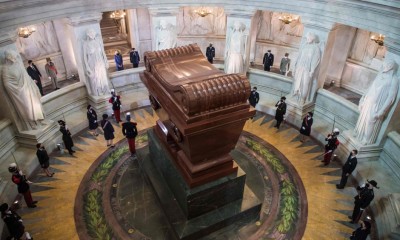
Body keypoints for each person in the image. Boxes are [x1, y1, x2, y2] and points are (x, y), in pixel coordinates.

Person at [353, 59, 399, 145]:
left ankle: (366, 139)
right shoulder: (380, 74)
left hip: (377, 105)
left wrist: (383, 110)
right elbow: (370, 87)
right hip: (368, 101)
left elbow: (391, 98)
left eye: (388, 65)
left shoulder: (394, 79)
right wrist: (362, 98)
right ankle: (359, 133)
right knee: (363, 118)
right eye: (385, 64)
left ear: (391, 67)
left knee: (370, 121)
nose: (385, 66)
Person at [2, 50, 45, 131]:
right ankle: (32, 124)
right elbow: (7, 83)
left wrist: (31, 83)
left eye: (15, 58)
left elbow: (26, 76)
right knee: (27, 108)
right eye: (13, 58)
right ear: (8, 59)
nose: (15, 60)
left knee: (35, 106)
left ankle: (38, 121)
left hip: (28, 89)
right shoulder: (5, 69)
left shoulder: (18, 65)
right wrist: (18, 89)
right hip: (20, 92)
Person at [291, 32, 321, 103]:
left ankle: (303, 99)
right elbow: (298, 57)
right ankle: (296, 93)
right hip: (299, 66)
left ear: (312, 39)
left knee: (305, 83)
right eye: (307, 38)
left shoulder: (316, 48)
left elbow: (315, 60)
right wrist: (294, 67)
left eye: (308, 38)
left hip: (307, 68)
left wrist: (312, 70)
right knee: (297, 81)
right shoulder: (304, 46)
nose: (307, 39)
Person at [83, 28, 110, 96]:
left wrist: (106, 61)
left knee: (103, 76)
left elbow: (103, 53)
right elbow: (84, 57)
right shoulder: (86, 44)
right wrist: (87, 67)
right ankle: (98, 91)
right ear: (88, 35)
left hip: (100, 61)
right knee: (96, 78)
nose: (92, 34)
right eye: (91, 33)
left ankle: (105, 90)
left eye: (93, 33)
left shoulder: (98, 42)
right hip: (92, 63)